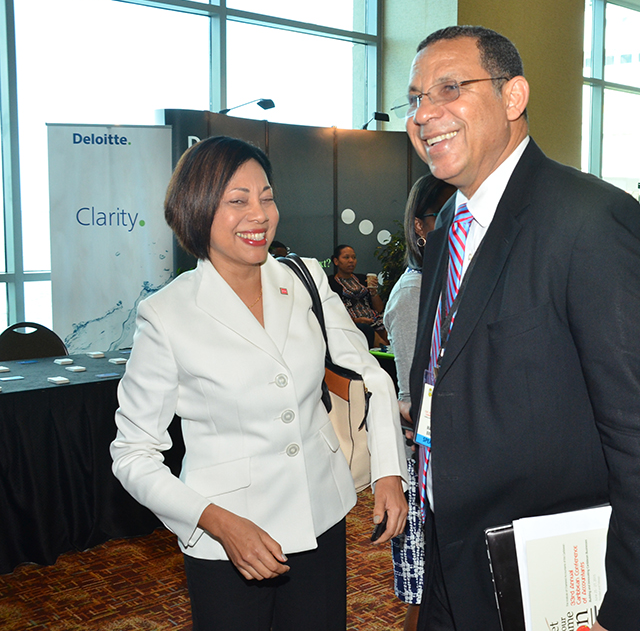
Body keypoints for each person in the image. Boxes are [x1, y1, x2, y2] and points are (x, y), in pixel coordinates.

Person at [401, 25, 640, 631]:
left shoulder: (590, 220)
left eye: (450, 89)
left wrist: (632, 612)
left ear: (513, 97)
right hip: (452, 558)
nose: (425, 114)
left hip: (550, 572)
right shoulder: (448, 225)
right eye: (416, 98)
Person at [110, 136, 408, 630]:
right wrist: (217, 521)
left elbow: (370, 374)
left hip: (320, 512)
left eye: (266, 197)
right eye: (238, 200)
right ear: (198, 209)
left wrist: (389, 473)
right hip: (230, 538)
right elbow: (133, 453)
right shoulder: (167, 314)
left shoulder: (305, 278)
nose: (259, 214)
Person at [383, 173, 456, 631]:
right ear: (419, 226)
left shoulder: (445, 281)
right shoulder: (413, 293)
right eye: (443, 214)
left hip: (452, 460)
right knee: (424, 597)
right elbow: (412, 400)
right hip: (423, 464)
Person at [329, 244, 387, 347]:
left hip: (374, 319)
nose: (351, 261)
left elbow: (379, 309)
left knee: (389, 327)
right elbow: (331, 312)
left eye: (354, 257)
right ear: (336, 261)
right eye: (346, 257)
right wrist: (356, 320)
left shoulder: (363, 279)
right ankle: (386, 352)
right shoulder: (330, 283)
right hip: (351, 322)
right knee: (369, 332)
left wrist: (373, 292)